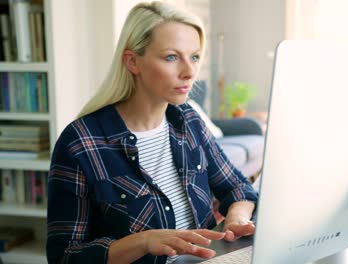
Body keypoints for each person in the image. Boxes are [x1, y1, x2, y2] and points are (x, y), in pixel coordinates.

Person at [46, 2, 258, 263]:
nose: (189, 72)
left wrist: (237, 219)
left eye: (194, 57)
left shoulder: (188, 121)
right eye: (171, 57)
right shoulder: (80, 143)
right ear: (132, 61)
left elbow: (237, 187)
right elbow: (63, 256)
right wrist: (144, 241)